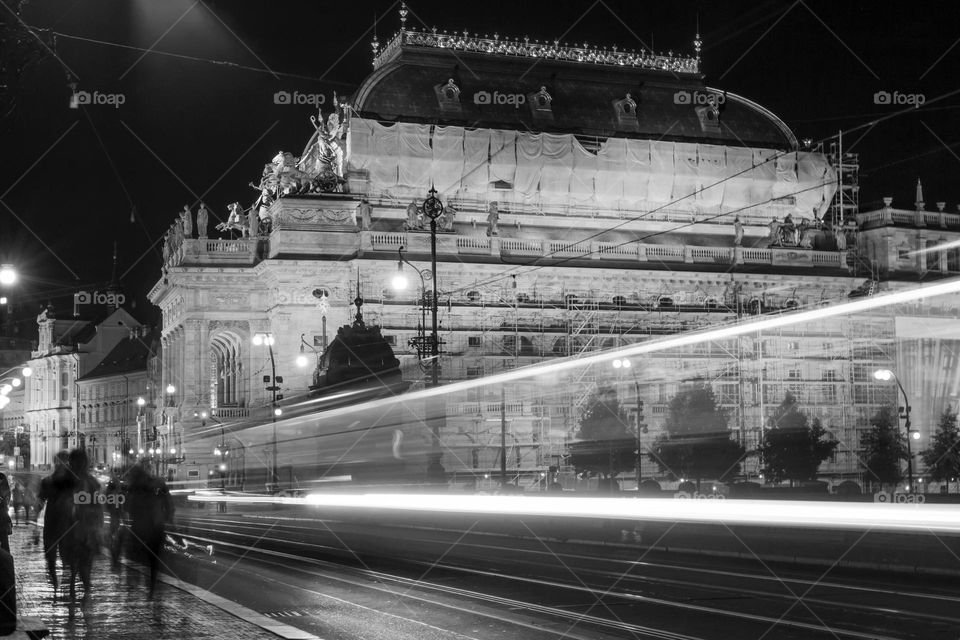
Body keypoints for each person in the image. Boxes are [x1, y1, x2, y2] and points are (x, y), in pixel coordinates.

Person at [124, 464, 174, 596]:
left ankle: (135, 584)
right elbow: (169, 503)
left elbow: (126, 506)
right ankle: (151, 586)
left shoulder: (133, 487)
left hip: (140, 528)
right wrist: (168, 516)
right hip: (156, 527)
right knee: (154, 560)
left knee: (136, 556)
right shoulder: (158, 483)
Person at [60, 449, 102, 602]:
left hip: (84, 529)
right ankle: (80, 590)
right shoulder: (71, 481)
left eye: (81, 462)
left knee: (82, 564)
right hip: (75, 529)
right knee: (76, 564)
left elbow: (98, 506)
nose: (80, 465)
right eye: (78, 462)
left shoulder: (89, 482)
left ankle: (83, 591)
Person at [37, 450, 71, 597]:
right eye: (60, 461)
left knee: (64, 558)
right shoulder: (47, 481)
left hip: (65, 525)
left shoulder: (72, 482)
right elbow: (40, 501)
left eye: (65, 461)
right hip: (54, 524)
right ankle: (57, 584)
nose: (62, 464)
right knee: (51, 558)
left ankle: (61, 585)